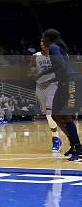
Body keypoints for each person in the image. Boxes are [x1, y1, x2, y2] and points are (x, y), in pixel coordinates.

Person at [36, 29, 81, 162]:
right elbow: (60, 68)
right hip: (64, 82)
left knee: (66, 116)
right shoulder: (56, 48)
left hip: (71, 82)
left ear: (48, 39)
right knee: (55, 114)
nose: (42, 41)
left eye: (43, 38)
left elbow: (61, 66)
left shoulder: (54, 47)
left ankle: (79, 149)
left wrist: (43, 74)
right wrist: (45, 76)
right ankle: (73, 144)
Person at [30, 41, 61, 152]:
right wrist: (32, 73)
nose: (43, 45)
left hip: (53, 85)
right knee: (48, 115)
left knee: (49, 114)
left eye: (45, 43)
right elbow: (31, 71)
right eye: (41, 43)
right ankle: (57, 135)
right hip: (40, 87)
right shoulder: (35, 56)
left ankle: (55, 139)